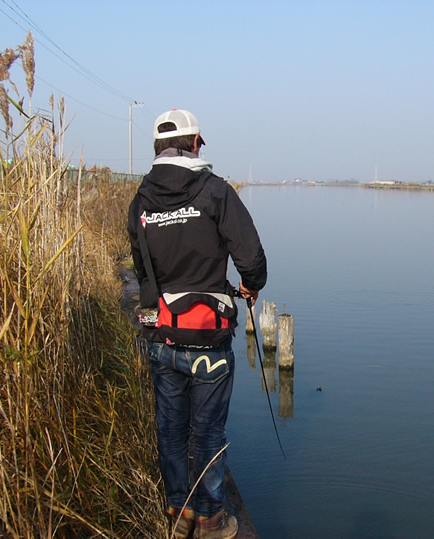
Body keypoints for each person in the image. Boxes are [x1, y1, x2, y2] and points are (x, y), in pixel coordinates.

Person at [128, 109, 267, 539]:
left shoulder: (140, 201)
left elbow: (141, 268)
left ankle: (179, 512)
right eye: (199, 142)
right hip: (207, 337)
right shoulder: (215, 192)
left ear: (157, 150)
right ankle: (210, 519)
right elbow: (251, 257)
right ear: (192, 144)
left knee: (170, 426)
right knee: (207, 430)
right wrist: (250, 285)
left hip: (162, 336)